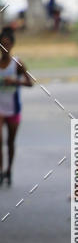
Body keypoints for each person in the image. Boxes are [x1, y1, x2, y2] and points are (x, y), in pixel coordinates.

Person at [0, 26, 33, 186]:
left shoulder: (17, 63)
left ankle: (9, 170)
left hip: (13, 108)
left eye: (7, 44)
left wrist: (15, 81)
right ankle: (0, 170)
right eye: (1, 44)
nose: (4, 48)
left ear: (12, 45)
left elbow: (30, 83)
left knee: (10, 142)